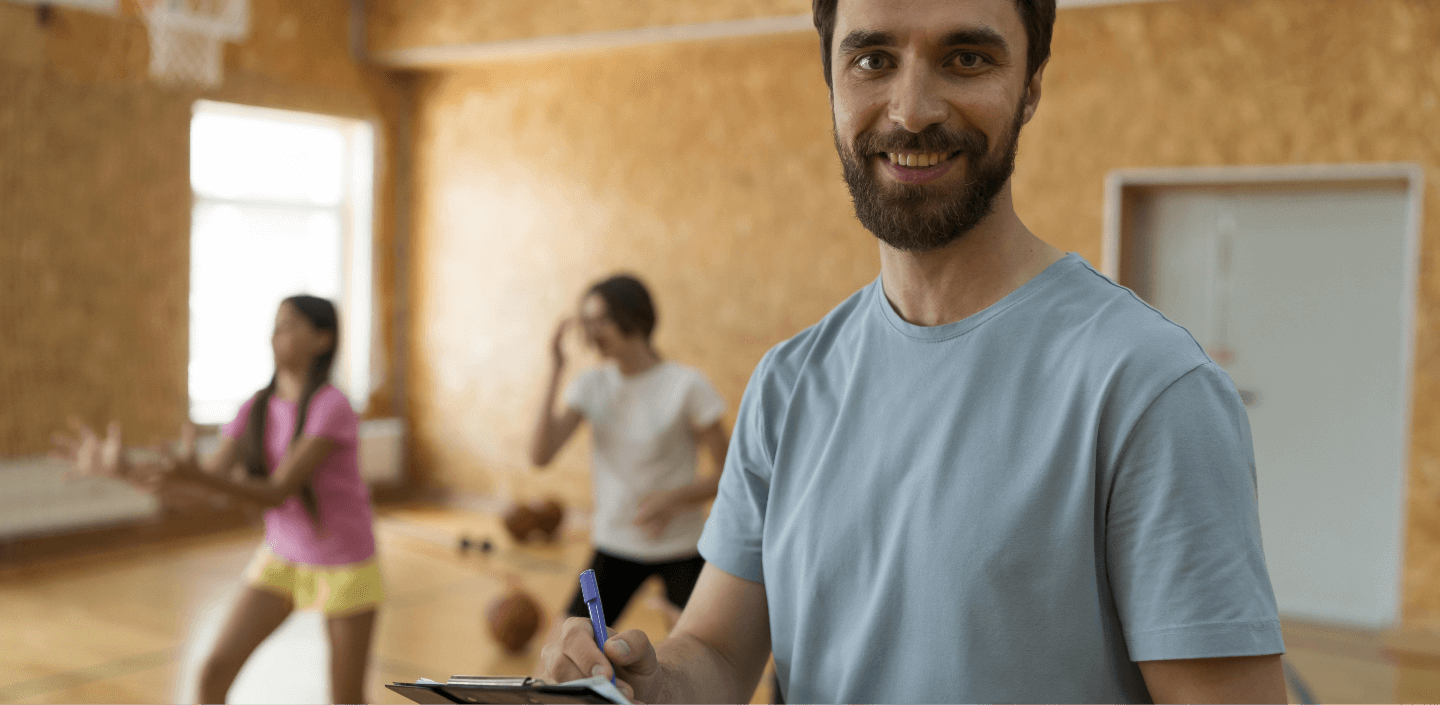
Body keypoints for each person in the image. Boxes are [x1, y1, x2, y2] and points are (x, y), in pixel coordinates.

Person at [536, 0, 1287, 702]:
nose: (912, 110)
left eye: (966, 59)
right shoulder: (788, 383)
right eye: (872, 60)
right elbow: (718, 652)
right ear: (830, 79)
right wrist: (642, 679)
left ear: (1030, 88)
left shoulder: (1150, 388)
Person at [53, 295, 381, 705]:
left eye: (290, 324)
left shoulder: (331, 406)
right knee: (214, 672)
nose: (276, 333)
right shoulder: (254, 408)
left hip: (343, 561)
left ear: (323, 339)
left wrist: (202, 478)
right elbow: (194, 494)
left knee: (346, 699)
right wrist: (125, 471)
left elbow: (277, 490)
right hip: (283, 558)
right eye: (276, 323)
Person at [530, 274, 730, 631]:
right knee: (564, 647)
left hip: (682, 546)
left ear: (635, 318)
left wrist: (672, 499)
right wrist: (556, 370)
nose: (591, 334)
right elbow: (541, 456)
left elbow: (729, 474)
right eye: (585, 323)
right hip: (614, 545)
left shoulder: (687, 385)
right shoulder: (591, 386)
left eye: (601, 320)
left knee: (696, 652)